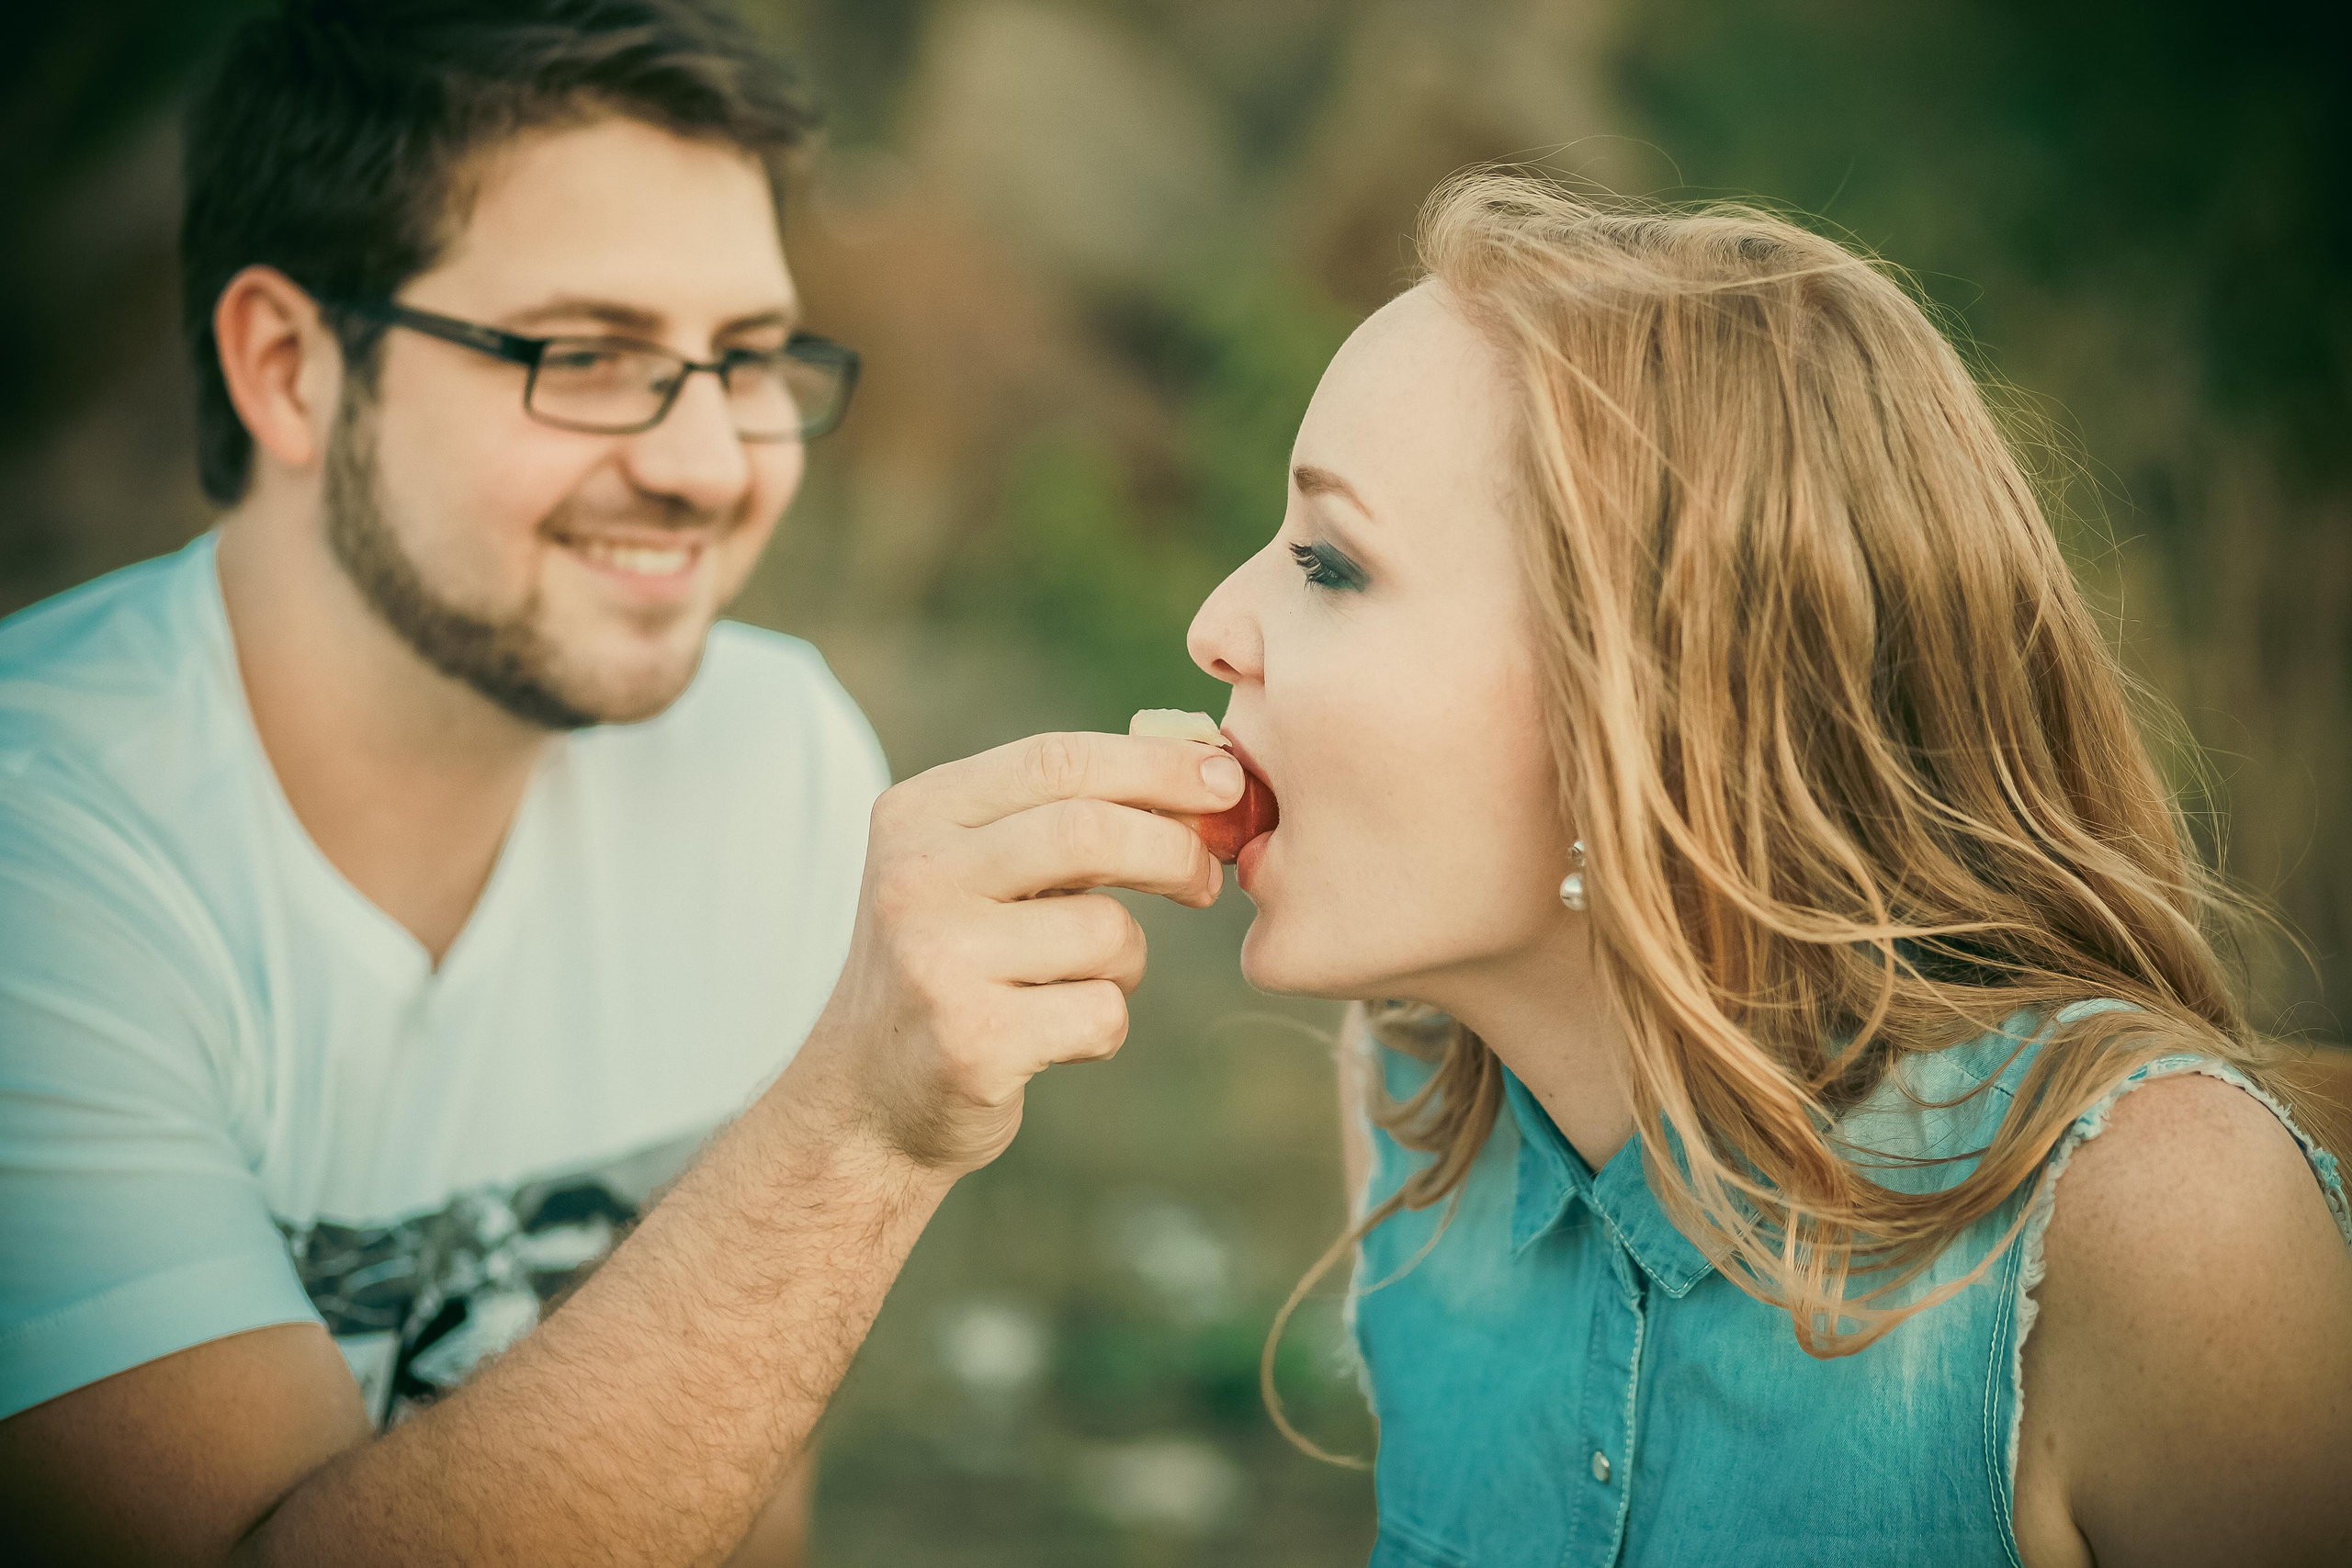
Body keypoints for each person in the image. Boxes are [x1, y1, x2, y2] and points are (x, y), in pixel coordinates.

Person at [0, 2, 1246, 1562]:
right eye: (587, 357)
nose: (715, 464)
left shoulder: (771, 759)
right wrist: (857, 1125)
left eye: (746, 361)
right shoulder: (38, 856)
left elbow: (727, 1488)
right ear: (291, 366)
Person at [1186, 171, 2352, 1567]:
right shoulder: (1413, 1105)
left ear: (1658, 708)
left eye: (1328, 563)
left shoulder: (2156, 1221)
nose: (1213, 622)